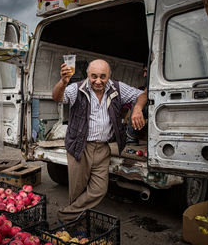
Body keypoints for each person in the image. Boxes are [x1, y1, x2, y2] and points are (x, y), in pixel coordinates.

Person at [52, 59, 147, 223]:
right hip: (80, 147)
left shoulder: (116, 88)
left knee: (99, 190)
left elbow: (142, 94)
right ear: (88, 75)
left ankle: (65, 215)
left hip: (103, 148)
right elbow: (58, 97)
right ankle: (73, 224)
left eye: (103, 77)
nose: (98, 81)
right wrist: (63, 82)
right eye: (94, 76)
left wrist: (137, 108)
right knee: (77, 190)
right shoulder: (77, 88)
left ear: (109, 75)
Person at [126, 66, 148, 145]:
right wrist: (138, 108)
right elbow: (144, 94)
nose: (144, 75)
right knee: (137, 102)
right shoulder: (149, 84)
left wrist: (138, 107)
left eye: (146, 71)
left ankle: (131, 136)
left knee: (136, 102)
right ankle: (131, 137)